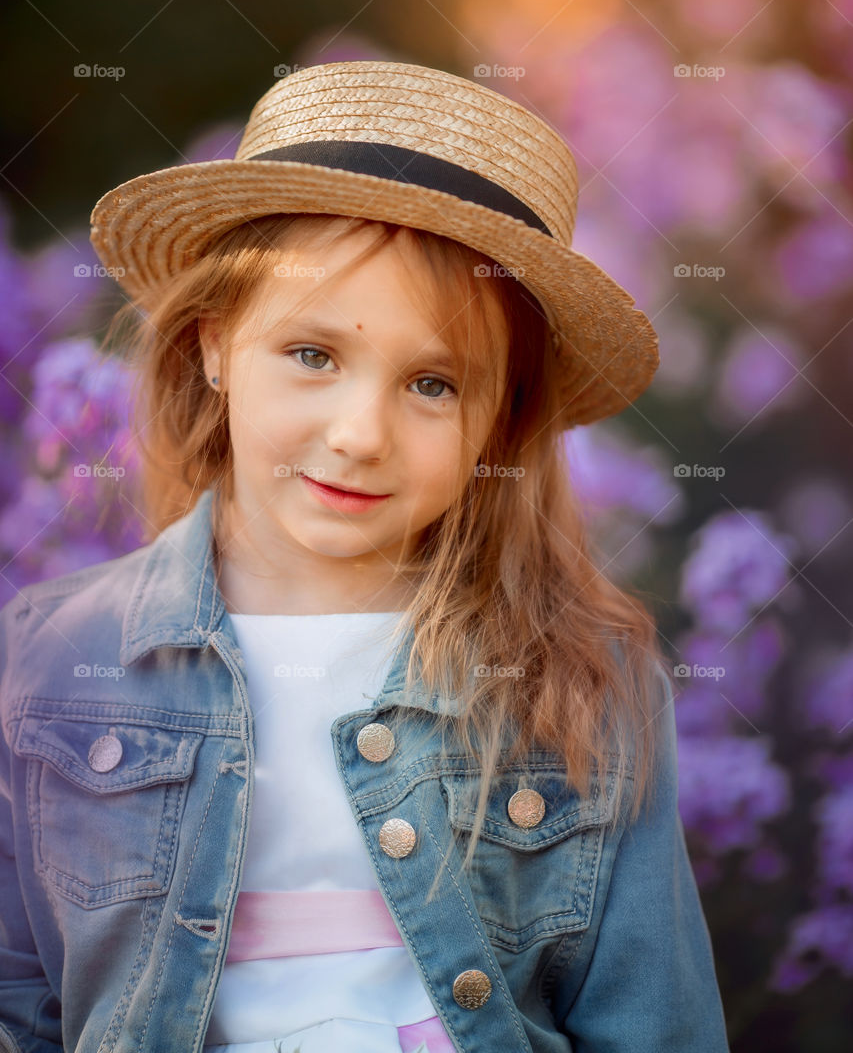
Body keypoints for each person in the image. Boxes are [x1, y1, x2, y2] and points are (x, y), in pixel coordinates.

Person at [0, 60, 730, 1052]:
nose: (359, 432)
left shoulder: (584, 679)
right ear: (215, 343)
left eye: (431, 383)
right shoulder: (49, 655)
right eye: (312, 354)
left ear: (498, 421)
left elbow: (655, 1023)